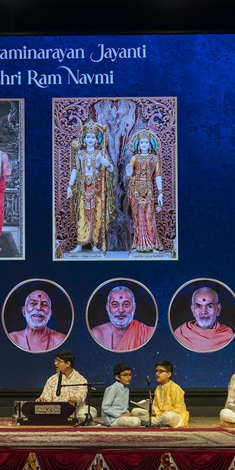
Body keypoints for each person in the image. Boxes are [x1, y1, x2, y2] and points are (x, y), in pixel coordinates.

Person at [66, 120, 115, 253]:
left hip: (96, 189)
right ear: (84, 139)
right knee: (82, 216)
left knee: (96, 216)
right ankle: (79, 245)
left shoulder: (100, 154)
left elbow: (111, 170)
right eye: (88, 137)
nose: (90, 139)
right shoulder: (80, 154)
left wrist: (106, 163)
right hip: (82, 188)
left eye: (93, 137)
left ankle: (94, 244)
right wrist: (70, 185)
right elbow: (75, 170)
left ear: (97, 140)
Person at [125, 129, 164, 252]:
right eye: (141, 142)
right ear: (138, 145)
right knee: (138, 217)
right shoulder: (134, 158)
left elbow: (157, 175)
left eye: (146, 142)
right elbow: (129, 175)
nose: (144, 145)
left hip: (148, 190)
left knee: (149, 216)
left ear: (150, 144)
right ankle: (139, 244)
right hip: (136, 190)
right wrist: (129, 172)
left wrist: (160, 192)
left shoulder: (154, 158)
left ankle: (151, 243)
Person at [36, 349, 96, 421]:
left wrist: (76, 398)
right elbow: (46, 397)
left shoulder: (81, 380)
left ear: (68, 364)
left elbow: (81, 394)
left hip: (75, 411)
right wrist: (43, 400)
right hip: (56, 411)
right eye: (55, 360)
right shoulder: (51, 380)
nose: (55, 363)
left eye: (59, 361)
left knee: (89, 411)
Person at [90, 286, 154, 352]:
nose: (121, 310)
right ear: (108, 308)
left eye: (126, 304)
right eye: (115, 304)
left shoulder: (149, 333)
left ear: (133, 307)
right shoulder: (97, 335)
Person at [172, 287, 235, 352]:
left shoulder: (228, 336)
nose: (203, 312)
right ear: (193, 310)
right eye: (198, 306)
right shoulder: (181, 333)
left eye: (209, 306)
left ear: (218, 309)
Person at [100, 363, 146, 427]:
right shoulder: (113, 388)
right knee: (135, 421)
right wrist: (120, 415)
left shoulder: (127, 389)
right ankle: (143, 422)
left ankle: (142, 421)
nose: (129, 377)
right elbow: (105, 407)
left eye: (130, 375)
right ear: (117, 377)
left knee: (137, 412)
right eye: (125, 375)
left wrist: (128, 414)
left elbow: (124, 408)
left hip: (123, 417)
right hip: (113, 419)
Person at [150, 360, 188, 428]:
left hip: (176, 418)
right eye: (156, 371)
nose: (157, 374)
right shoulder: (158, 388)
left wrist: (161, 415)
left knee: (168, 416)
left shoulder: (176, 388)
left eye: (160, 371)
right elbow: (155, 406)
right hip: (160, 416)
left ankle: (153, 422)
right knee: (137, 411)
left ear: (169, 374)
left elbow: (177, 410)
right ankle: (157, 422)